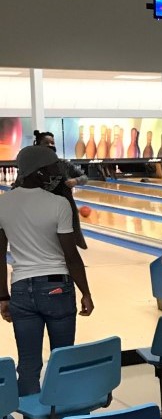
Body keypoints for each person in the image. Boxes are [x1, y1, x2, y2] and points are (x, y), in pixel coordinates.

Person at [0, 146, 94, 397]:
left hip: (21, 289)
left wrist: (3, 297)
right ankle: (63, 414)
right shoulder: (59, 204)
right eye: (53, 168)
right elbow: (71, 256)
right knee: (62, 360)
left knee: (28, 365)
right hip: (57, 287)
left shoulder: (2, 203)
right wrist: (85, 292)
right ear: (38, 171)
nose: (57, 174)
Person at [14, 130, 89, 249]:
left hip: (63, 212)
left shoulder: (63, 164)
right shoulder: (30, 168)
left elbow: (84, 177)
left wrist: (76, 180)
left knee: (65, 245)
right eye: (46, 143)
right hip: (40, 213)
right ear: (37, 145)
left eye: (52, 143)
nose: (50, 145)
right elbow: (17, 187)